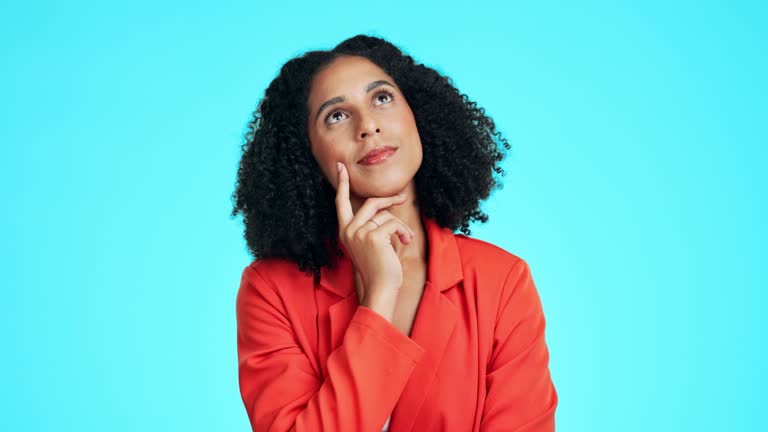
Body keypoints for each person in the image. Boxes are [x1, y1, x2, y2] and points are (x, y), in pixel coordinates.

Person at [231, 34, 558, 431]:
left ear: (417, 114)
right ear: (307, 156)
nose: (368, 125)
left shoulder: (502, 283)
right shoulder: (271, 291)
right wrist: (379, 296)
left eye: (382, 98)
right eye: (336, 115)